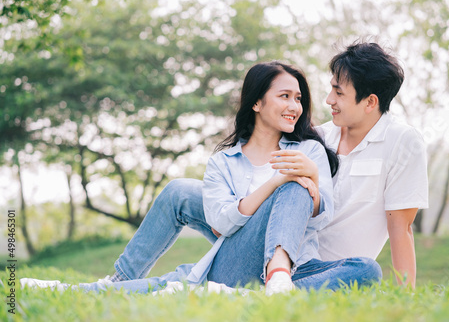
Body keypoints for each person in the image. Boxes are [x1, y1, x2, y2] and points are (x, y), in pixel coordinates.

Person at [21, 61, 381, 294]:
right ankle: (120, 280)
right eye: (284, 96)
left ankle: (265, 287)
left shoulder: (309, 149)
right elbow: (223, 222)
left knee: (367, 269)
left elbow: (324, 214)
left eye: (299, 98)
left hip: (299, 266)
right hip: (237, 257)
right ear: (256, 102)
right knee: (278, 180)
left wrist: (314, 180)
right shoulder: (223, 161)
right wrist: (274, 182)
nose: (294, 106)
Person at [105, 41, 427, 289]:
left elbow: (401, 227)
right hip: (266, 233)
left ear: (370, 102)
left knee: (359, 262)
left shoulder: (402, 142)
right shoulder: (321, 137)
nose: (328, 100)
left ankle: (260, 285)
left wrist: (405, 297)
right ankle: (121, 279)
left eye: (339, 92)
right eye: (330, 89)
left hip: (316, 261)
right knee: (180, 191)